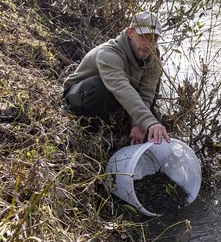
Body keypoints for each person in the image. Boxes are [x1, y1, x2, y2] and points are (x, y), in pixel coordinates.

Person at [63, 11, 170, 145]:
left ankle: (127, 126)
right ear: (131, 33)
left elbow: (146, 94)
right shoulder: (109, 53)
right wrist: (149, 121)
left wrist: (139, 124)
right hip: (77, 94)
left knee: (155, 82)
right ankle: (95, 133)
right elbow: (122, 89)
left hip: (112, 95)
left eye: (153, 39)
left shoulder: (152, 58)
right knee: (98, 85)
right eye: (144, 37)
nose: (148, 44)